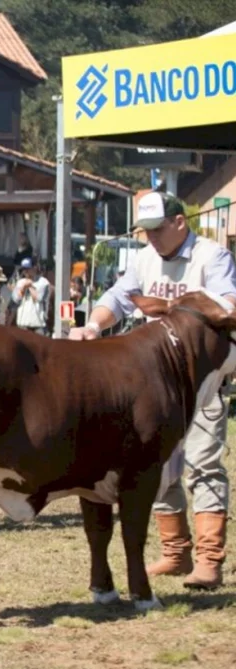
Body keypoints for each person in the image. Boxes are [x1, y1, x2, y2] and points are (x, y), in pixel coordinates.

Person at [69, 191, 236, 589]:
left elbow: (228, 303)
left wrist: (177, 307)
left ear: (181, 222)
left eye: (157, 230)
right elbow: (118, 299)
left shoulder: (211, 256)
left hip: (201, 383)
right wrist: (94, 325)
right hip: (154, 385)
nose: (151, 239)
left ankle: (209, 558)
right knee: (156, 464)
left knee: (204, 460)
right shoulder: (144, 259)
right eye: (145, 232)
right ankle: (175, 550)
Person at [12, 258, 50, 335]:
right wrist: (23, 288)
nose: (25, 271)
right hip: (23, 323)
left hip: (37, 324)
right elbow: (16, 299)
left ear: (34, 268)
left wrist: (30, 286)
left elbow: (39, 298)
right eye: (23, 269)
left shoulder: (43, 282)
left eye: (27, 269)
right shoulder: (20, 282)